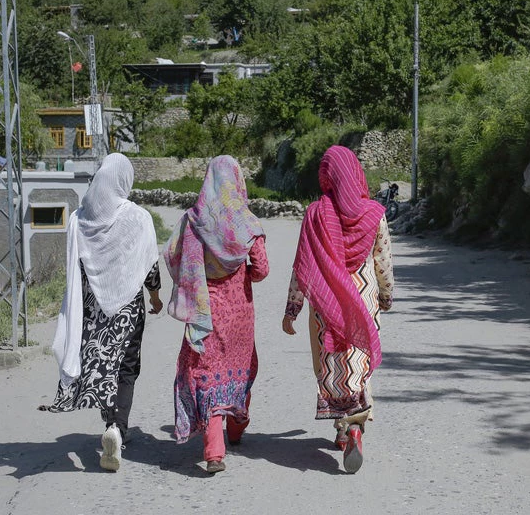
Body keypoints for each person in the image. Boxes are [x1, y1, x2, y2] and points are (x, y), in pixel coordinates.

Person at [41, 153, 163, 473]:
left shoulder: (80, 218)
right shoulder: (138, 217)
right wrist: (156, 295)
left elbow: (77, 267)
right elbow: (149, 263)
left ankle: (109, 423)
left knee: (103, 365)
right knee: (126, 366)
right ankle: (117, 429)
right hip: (128, 308)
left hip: (94, 308)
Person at [282, 145, 394, 474]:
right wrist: (386, 296)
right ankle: (355, 425)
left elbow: (302, 264)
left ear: (327, 177)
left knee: (332, 363)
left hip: (325, 304)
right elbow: (383, 261)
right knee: (357, 361)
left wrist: (293, 307)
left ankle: (343, 426)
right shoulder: (374, 213)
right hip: (362, 299)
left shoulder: (316, 214)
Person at [165, 155, 268, 474]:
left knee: (208, 372)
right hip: (239, 315)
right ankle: (237, 426)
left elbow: (173, 257)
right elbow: (262, 269)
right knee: (240, 367)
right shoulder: (247, 223)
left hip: (204, 312)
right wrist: (241, 275)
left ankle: (214, 451)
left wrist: (198, 275)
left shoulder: (193, 220)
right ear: (237, 182)